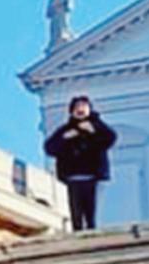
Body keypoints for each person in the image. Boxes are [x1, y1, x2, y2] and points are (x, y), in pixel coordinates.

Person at [44, 95, 117, 231]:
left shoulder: (97, 125)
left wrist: (93, 131)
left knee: (91, 209)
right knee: (75, 210)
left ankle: (91, 228)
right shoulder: (66, 130)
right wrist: (65, 138)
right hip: (72, 176)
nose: (80, 109)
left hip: (92, 175)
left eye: (84, 106)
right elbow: (49, 148)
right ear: (72, 111)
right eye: (77, 107)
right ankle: (77, 230)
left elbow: (110, 138)